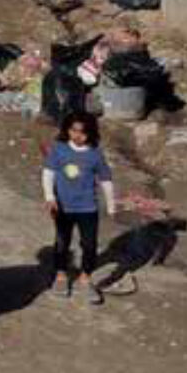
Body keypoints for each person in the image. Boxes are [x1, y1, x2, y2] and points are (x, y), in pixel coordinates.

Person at [45, 110, 117, 301]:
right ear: (67, 129)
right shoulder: (59, 149)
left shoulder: (95, 154)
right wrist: (49, 197)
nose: (77, 136)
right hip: (63, 208)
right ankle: (60, 276)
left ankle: (85, 279)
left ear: (91, 133)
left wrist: (111, 205)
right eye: (73, 130)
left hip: (88, 208)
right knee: (62, 243)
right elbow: (48, 173)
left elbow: (106, 179)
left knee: (90, 245)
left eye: (83, 132)